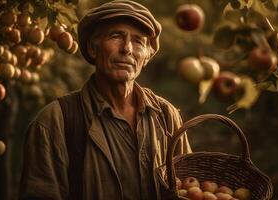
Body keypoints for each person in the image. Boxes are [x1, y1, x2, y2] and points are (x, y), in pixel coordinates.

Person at [19, 0, 191, 199]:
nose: (127, 48)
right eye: (116, 36)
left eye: (138, 41)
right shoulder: (55, 122)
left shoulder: (166, 116)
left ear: (146, 56)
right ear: (93, 48)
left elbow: (187, 187)